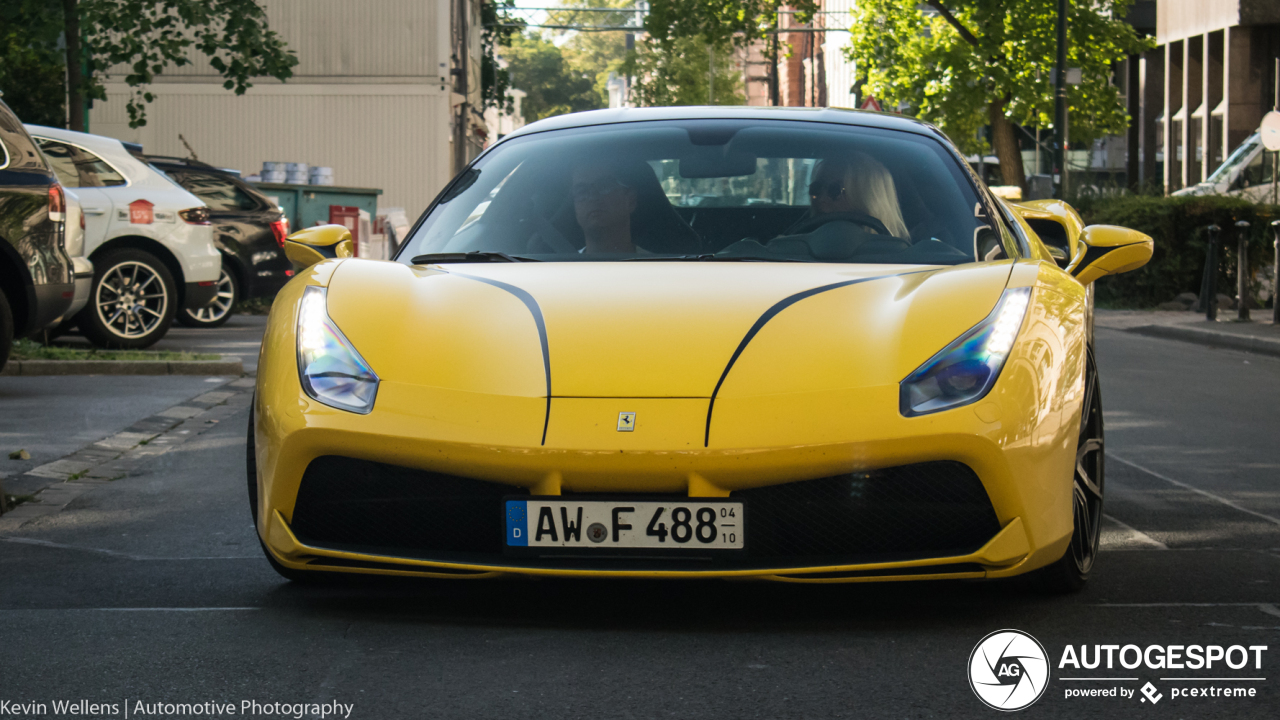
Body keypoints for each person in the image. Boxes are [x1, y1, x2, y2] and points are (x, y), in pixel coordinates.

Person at [804, 151, 910, 239]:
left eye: (834, 190)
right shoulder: (797, 246)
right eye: (816, 188)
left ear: (867, 198)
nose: (822, 198)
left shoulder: (902, 257)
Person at [570, 163, 641, 254]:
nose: (593, 197)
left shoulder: (657, 265)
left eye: (604, 186)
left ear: (631, 200)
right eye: (582, 191)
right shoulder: (557, 266)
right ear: (575, 206)